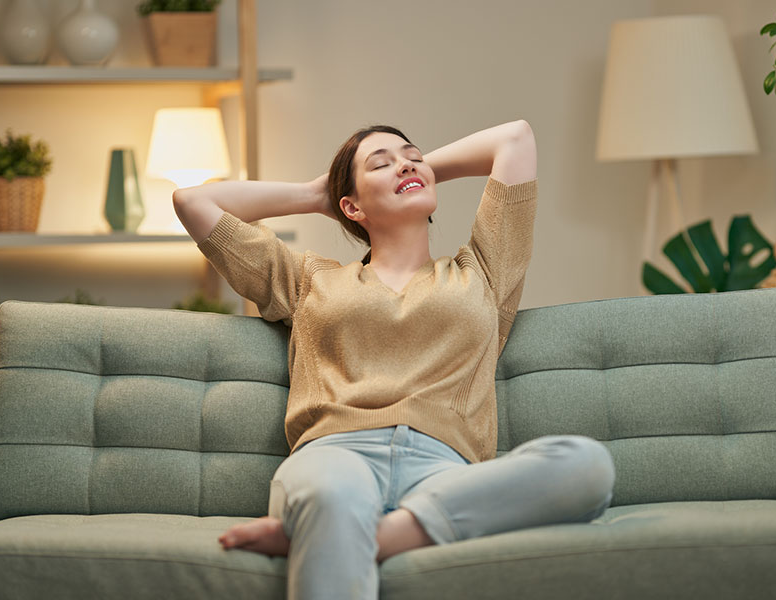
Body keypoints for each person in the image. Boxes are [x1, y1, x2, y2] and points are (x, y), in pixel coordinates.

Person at [172, 120, 615, 600]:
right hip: (334, 458)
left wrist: (413, 172)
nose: (405, 162)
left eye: (412, 155)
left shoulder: (483, 273)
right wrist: (321, 193)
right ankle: (333, 521)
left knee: (587, 465)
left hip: (445, 471)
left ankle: (338, 535)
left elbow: (515, 138)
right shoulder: (307, 280)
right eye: (380, 163)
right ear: (351, 207)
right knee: (332, 495)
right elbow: (193, 202)